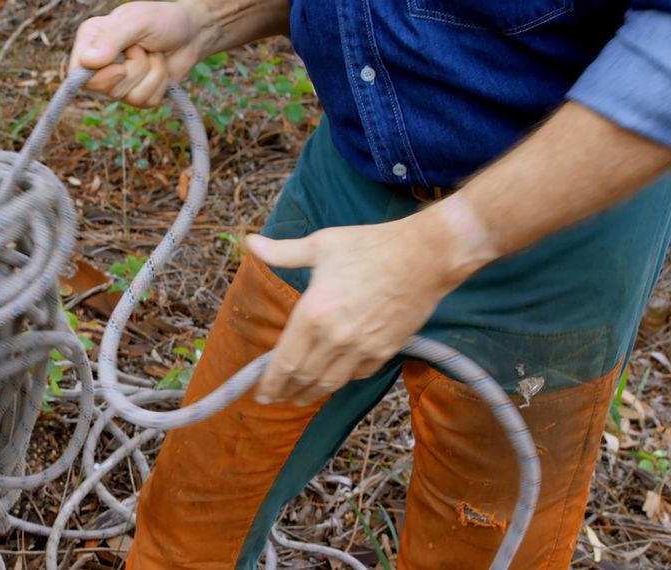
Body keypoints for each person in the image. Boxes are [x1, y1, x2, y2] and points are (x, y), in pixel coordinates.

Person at [68, 1, 671, 568]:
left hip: (557, 226)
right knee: (193, 513)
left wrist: (442, 247)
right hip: (347, 179)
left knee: (478, 544)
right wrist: (205, 18)